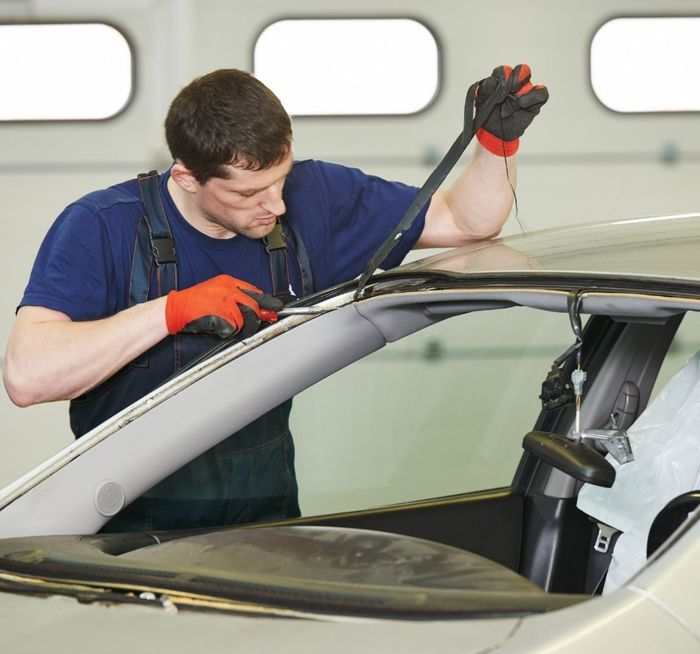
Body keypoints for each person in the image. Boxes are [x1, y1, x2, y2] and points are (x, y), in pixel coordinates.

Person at [3, 65, 548, 531]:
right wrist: (171, 312)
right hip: (125, 530)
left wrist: (494, 147)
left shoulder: (318, 200)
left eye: (280, 179)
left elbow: (464, 222)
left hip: (266, 518)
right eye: (248, 193)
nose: (277, 206)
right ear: (188, 177)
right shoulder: (103, 227)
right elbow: (29, 376)